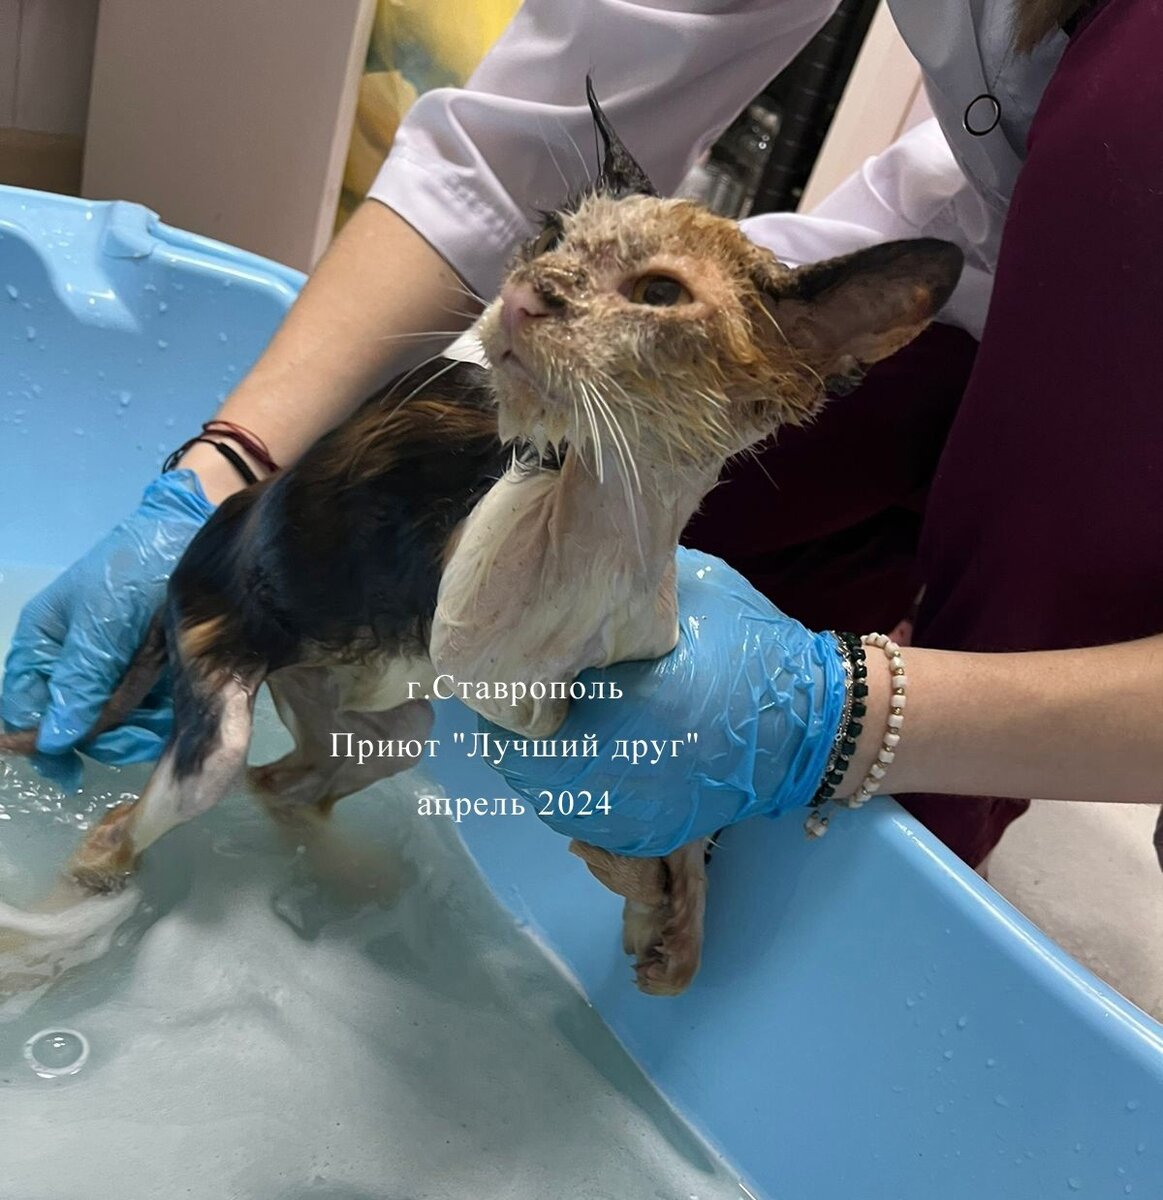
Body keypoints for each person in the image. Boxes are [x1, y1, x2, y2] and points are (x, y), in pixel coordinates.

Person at [4, 0, 1161, 867]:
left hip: (1113, 308)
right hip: (969, 250)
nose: (525, 297)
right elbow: (521, 139)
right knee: (614, 636)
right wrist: (224, 468)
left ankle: (904, 878)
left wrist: (857, 717)